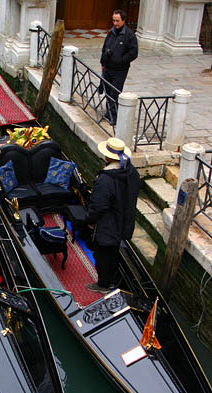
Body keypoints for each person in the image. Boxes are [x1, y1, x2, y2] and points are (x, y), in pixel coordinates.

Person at [85, 137, 140, 293]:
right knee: (114, 252)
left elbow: (98, 207)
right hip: (124, 220)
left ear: (109, 157)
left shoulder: (106, 180)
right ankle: (112, 280)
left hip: (107, 224)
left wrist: (89, 220)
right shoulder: (132, 172)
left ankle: (103, 285)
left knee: (102, 255)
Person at [100, 10, 138, 125]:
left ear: (123, 21)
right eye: (113, 20)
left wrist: (121, 60)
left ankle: (114, 116)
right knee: (107, 90)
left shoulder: (129, 35)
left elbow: (133, 53)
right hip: (108, 68)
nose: (115, 23)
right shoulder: (111, 33)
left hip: (120, 70)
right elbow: (105, 47)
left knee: (115, 92)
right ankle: (109, 112)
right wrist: (103, 63)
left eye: (117, 21)